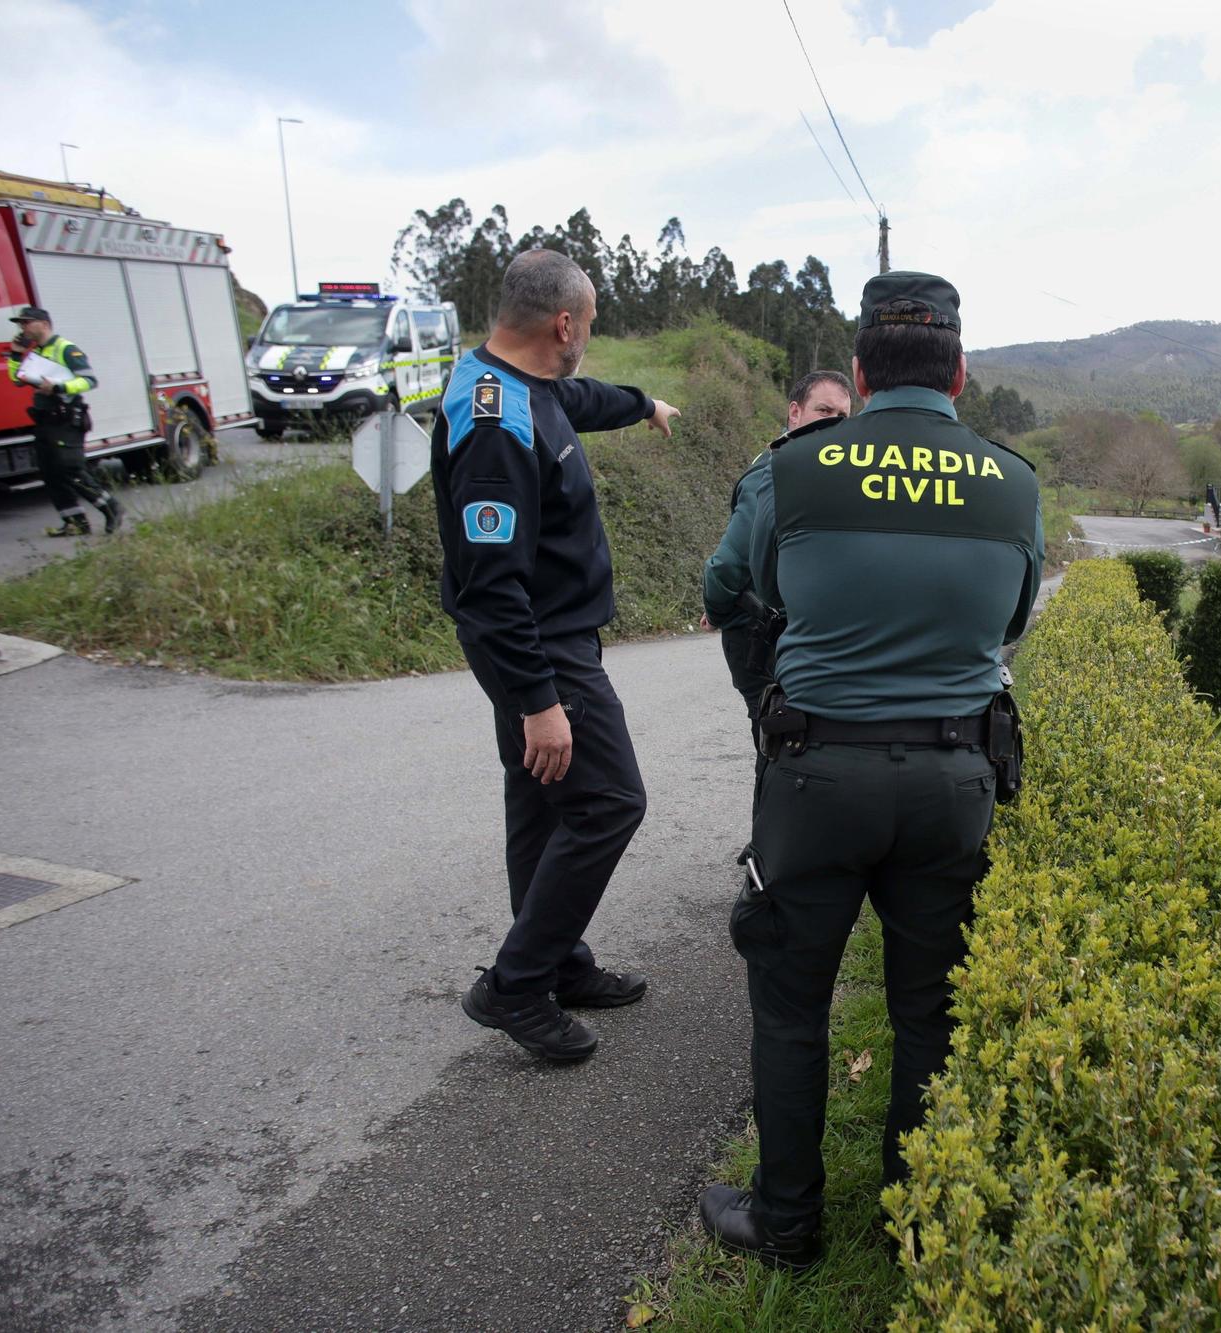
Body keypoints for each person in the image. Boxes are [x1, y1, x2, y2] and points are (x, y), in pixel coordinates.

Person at [698, 272, 1044, 1270]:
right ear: (961, 375)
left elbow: (730, 584)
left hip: (815, 780)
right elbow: (1012, 619)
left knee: (791, 1001)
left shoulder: (791, 470)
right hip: (954, 782)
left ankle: (786, 1221)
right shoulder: (1011, 484)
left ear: (856, 372)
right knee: (927, 1005)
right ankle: (909, 1223)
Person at [432, 249, 680, 1062]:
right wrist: (540, 700)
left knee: (544, 803)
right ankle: (513, 985)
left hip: (545, 643)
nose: (589, 340)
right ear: (564, 324)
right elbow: (493, 583)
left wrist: (642, 404)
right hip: (540, 646)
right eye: (591, 324)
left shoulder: (521, 385)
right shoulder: (498, 426)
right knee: (609, 800)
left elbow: (576, 396)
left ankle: (556, 965)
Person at [704, 369, 855, 808]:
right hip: (762, 633)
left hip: (797, 631)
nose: (834, 423)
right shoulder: (778, 469)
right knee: (774, 735)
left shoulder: (813, 468)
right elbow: (726, 566)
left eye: (843, 416)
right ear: (794, 412)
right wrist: (716, 608)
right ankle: (770, 845)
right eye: (823, 411)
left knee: (789, 738)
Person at [5, 306, 122, 537]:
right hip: (45, 420)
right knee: (50, 472)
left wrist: (60, 387)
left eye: (27, 323)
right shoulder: (36, 352)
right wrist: (16, 355)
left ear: (44, 324)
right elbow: (16, 380)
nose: (23, 328)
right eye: (20, 324)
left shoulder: (66, 349)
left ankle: (111, 508)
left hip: (67, 418)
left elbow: (89, 380)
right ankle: (74, 521)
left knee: (72, 469)